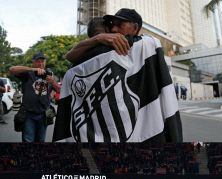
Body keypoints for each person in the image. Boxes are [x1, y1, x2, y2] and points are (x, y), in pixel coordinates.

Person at [54, 8, 182, 143]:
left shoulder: (145, 45)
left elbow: (69, 56)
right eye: (112, 26)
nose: (114, 30)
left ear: (135, 28)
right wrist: (100, 38)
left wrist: (97, 39)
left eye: (120, 25)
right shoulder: (86, 62)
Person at [9, 52, 60, 142]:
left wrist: (53, 82)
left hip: (44, 115)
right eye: (38, 61)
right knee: (28, 140)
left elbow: (60, 90)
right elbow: (12, 69)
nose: (40, 63)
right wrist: (33, 69)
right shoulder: (28, 74)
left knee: (41, 140)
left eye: (42, 61)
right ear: (33, 62)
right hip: (29, 115)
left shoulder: (50, 74)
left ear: (45, 62)